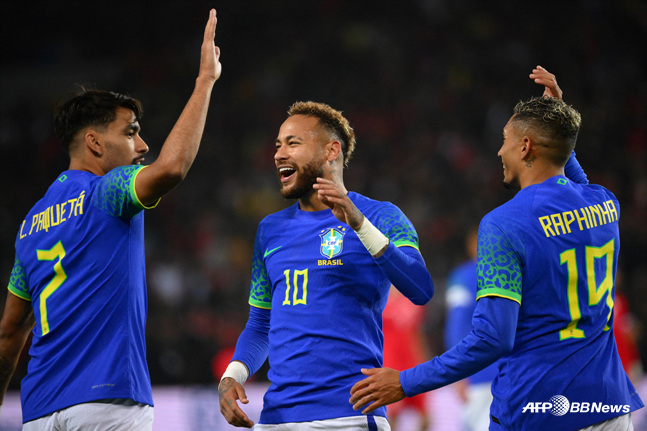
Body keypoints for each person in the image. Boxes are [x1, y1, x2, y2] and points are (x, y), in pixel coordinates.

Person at [349, 66, 645, 430]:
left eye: (506, 139)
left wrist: (406, 381)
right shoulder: (604, 204)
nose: (500, 150)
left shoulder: (504, 225)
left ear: (525, 146)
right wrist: (556, 124)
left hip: (539, 409)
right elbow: (574, 181)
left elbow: (493, 338)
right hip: (609, 406)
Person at [0, 9, 222, 429]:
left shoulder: (30, 225)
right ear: (94, 143)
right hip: (107, 402)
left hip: (39, 412)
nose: (142, 145)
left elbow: (10, 334)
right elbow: (172, 168)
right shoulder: (108, 191)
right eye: (130, 132)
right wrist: (205, 81)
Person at [218, 101, 434, 430]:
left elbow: (420, 288)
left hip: (349, 414)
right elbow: (261, 325)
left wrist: (359, 225)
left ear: (331, 150)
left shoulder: (380, 216)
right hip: (277, 418)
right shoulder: (270, 230)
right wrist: (232, 376)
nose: (278, 154)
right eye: (278, 145)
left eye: (292, 143)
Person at [444, 227, 497, 431]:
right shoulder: (515, 273)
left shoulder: (464, 276)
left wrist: (456, 370)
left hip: (478, 373)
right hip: (512, 372)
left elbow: (456, 324)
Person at [382, 285, 430, 431]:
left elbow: (417, 334)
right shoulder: (378, 296)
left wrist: (424, 362)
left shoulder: (413, 297)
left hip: (411, 360)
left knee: (426, 418)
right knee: (389, 418)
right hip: (388, 360)